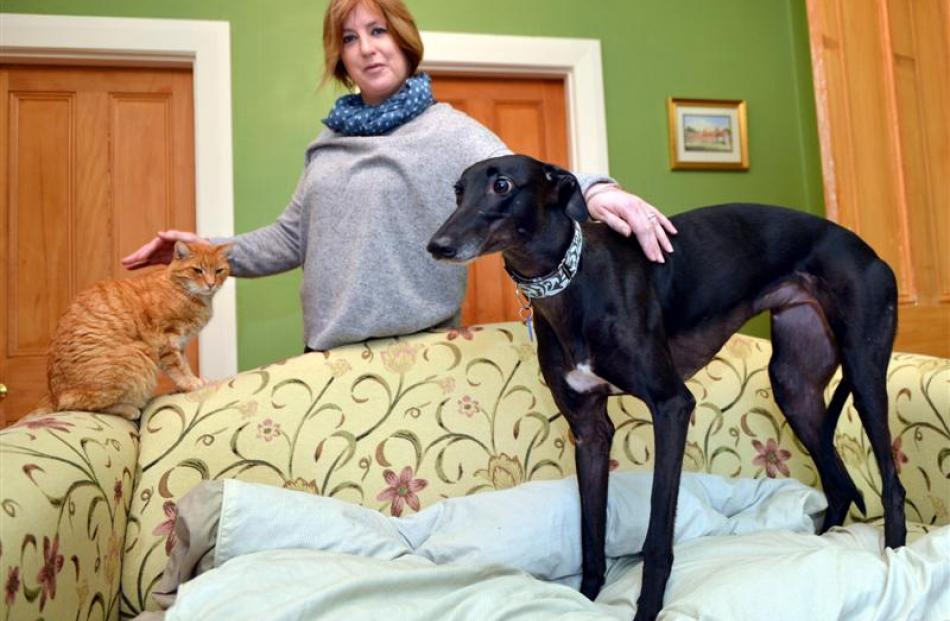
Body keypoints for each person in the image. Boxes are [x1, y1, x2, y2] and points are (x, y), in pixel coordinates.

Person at [122, 0, 677, 352]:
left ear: (404, 41)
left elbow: (522, 180)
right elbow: (291, 238)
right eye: (349, 38)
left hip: (418, 354)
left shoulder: (447, 131)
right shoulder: (328, 144)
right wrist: (198, 248)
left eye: (378, 30)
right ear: (340, 59)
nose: (366, 47)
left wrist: (599, 189)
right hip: (328, 356)